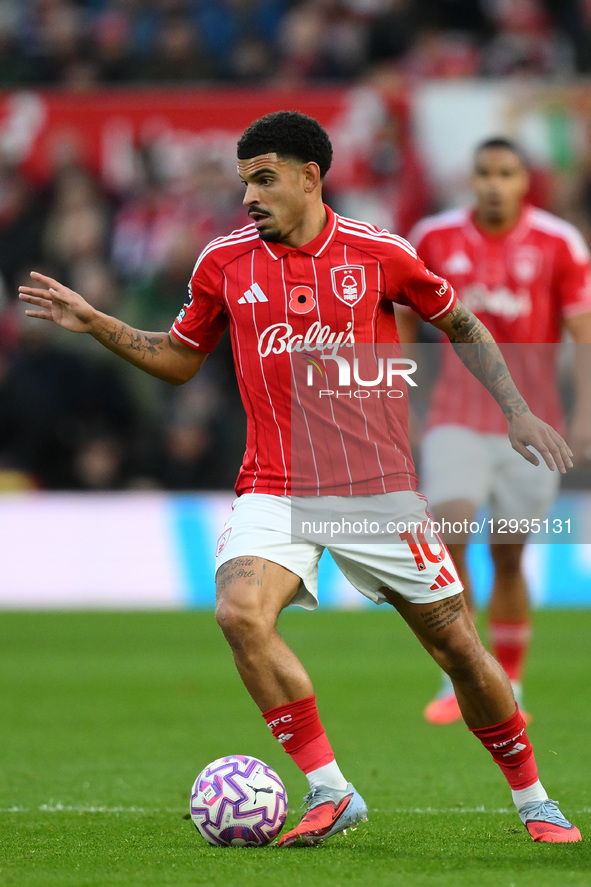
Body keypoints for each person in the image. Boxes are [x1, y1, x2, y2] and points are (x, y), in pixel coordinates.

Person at [19, 112, 581, 846]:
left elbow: (462, 325)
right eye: (244, 181)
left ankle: (534, 798)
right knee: (239, 614)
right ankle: (331, 789)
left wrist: (515, 410)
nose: (248, 196)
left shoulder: (379, 252)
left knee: (459, 653)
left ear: (310, 177)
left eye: (264, 179)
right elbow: (181, 357)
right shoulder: (223, 262)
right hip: (273, 485)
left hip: (376, 487)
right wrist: (99, 323)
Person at [402, 137, 591, 726]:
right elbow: (401, 321)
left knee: (508, 555)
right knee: (451, 533)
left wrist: (586, 411)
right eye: (483, 172)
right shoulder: (434, 238)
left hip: (534, 426)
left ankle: (510, 685)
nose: (493, 183)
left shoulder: (559, 242)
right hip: (455, 418)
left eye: (505, 173)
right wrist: (399, 401)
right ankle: (458, 678)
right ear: (472, 178)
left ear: (523, 181)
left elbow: (583, 332)